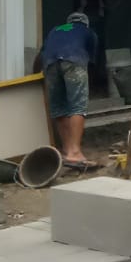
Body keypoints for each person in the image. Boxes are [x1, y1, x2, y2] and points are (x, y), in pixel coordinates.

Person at [35, 11, 99, 169]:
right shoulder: (88, 32)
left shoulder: (55, 30)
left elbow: (40, 56)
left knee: (58, 107)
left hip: (50, 64)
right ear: (85, 23)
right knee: (78, 105)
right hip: (74, 61)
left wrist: (35, 77)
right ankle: (75, 152)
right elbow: (91, 61)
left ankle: (67, 149)